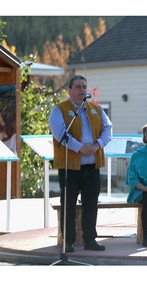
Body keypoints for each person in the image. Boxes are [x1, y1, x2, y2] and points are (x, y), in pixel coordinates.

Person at [49, 75, 112, 253]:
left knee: (91, 204)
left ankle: (90, 240)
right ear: (69, 90)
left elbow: (109, 129)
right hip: (70, 167)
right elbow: (59, 133)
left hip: (92, 166)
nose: (82, 90)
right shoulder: (59, 110)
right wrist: (79, 148)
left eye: (84, 86)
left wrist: (96, 145)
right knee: (68, 204)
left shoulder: (96, 110)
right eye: (78, 87)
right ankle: (67, 242)